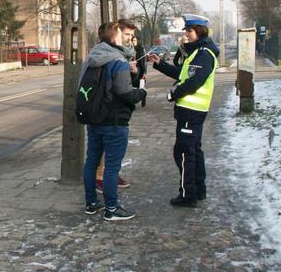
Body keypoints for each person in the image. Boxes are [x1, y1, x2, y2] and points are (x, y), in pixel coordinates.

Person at [148, 14, 219, 207]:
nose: (185, 34)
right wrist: (160, 64)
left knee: (184, 152)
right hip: (192, 110)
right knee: (194, 150)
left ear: (199, 31)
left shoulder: (203, 54)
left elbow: (193, 82)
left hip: (191, 109)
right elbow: (182, 73)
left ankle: (188, 195)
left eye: (189, 31)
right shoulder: (198, 52)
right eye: (186, 31)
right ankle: (198, 190)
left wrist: (174, 93)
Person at [82, 21, 147, 220]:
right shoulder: (118, 61)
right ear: (114, 38)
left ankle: (91, 204)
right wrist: (141, 92)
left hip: (94, 120)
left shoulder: (92, 58)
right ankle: (111, 209)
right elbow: (125, 92)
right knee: (111, 166)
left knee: (91, 162)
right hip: (115, 121)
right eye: (122, 35)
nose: (126, 39)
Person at [94, 19, 138, 194]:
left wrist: (132, 73)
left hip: (116, 110)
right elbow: (120, 89)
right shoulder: (109, 54)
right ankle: (102, 185)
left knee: (110, 153)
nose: (129, 38)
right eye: (126, 34)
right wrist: (139, 95)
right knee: (102, 151)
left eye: (131, 35)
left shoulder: (124, 53)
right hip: (107, 110)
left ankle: (107, 177)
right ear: (116, 34)